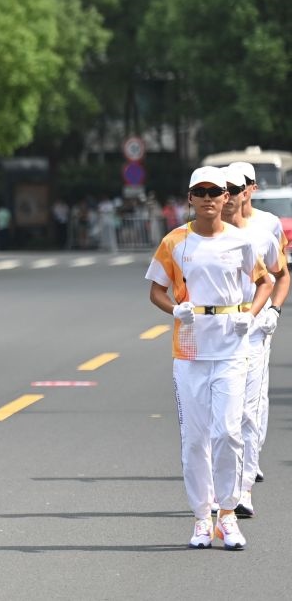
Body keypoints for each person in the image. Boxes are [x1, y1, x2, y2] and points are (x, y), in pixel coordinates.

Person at [145, 166, 271, 551]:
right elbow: (156, 290)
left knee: (228, 432)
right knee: (195, 438)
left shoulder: (240, 241)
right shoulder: (175, 242)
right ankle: (202, 517)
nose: (207, 198)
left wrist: (251, 315)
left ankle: (227, 514)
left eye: (214, 192)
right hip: (190, 348)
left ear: (225, 197)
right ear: (190, 198)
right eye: (199, 192)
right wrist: (175, 309)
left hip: (232, 346)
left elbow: (265, 282)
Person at [218, 166, 288, 518]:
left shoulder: (265, 229)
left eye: (235, 188)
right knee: (222, 416)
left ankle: (243, 488)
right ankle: (221, 483)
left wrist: (272, 310)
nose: (229, 195)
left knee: (250, 408)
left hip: (254, 329)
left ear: (249, 190)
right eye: (223, 189)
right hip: (216, 334)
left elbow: (280, 275)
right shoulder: (200, 236)